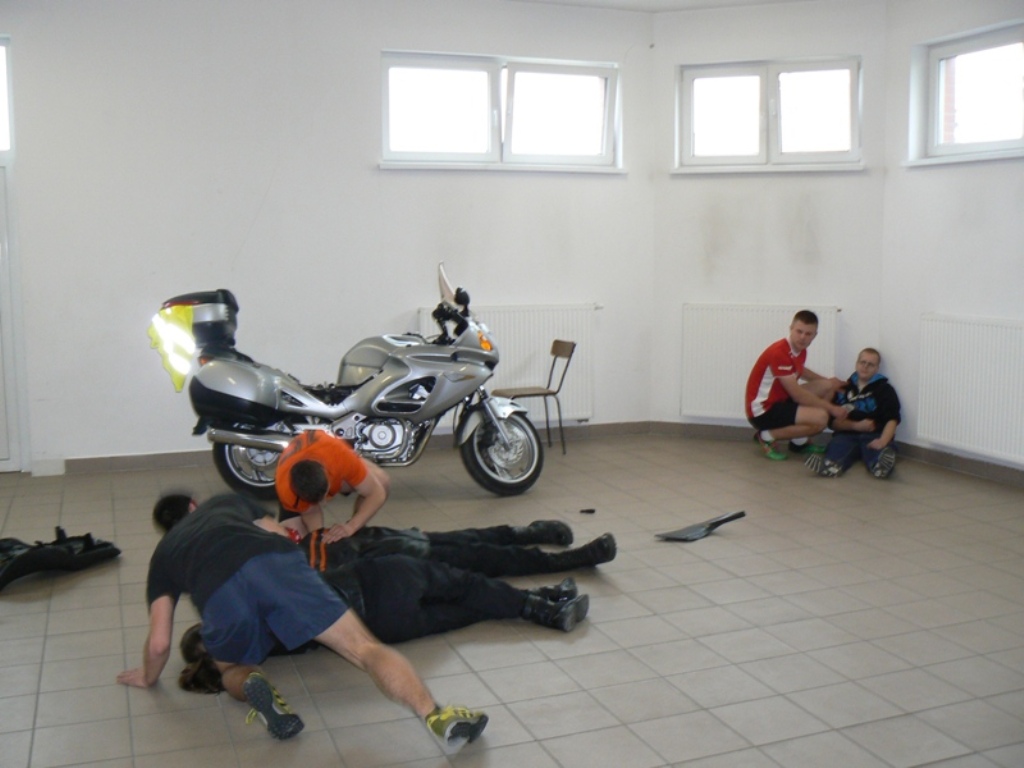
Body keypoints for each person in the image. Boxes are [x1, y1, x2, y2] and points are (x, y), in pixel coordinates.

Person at [120, 492, 487, 754]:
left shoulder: (164, 556)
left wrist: (149, 677)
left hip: (218, 593)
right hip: (273, 561)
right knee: (364, 648)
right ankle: (434, 715)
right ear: (193, 506)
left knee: (230, 666)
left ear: (166, 530)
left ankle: (256, 686)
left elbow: (159, 642)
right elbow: (279, 533)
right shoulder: (222, 503)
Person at [176, 560, 588, 697]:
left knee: (464, 610)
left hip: (383, 629)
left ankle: (547, 599)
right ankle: (544, 607)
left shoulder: (264, 650)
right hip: (377, 583)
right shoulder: (254, 610)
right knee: (466, 584)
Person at [745, 310, 847, 461]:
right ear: (791, 329)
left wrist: (830, 382)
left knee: (827, 386)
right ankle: (766, 436)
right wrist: (832, 408)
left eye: (808, 333)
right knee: (821, 419)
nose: (802, 337)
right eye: (799, 331)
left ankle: (799, 442)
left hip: (780, 400)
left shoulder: (800, 349)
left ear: (814, 335)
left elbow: (801, 371)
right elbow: (797, 395)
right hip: (763, 410)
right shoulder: (779, 352)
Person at [276, 430, 391, 543]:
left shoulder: (339, 457)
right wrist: (319, 539)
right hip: (295, 481)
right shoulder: (286, 489)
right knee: (297, 541)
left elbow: (377, 493)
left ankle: (357, 531)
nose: (324, 504)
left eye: (324, 496)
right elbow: (312, 513)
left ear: (328, 475)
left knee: (381, 481)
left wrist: (351, 527)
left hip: (331, 455)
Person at [806, 347, 901, 479]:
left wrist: (883, 441)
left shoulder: (885, 390)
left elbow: (892, 419)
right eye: (863, 362)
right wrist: (856, 426)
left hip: (874, 434)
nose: (865, 367)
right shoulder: (843, 389)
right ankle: (830, 465)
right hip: (847, 434)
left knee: (877, 450)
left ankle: (881, 465)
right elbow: (833, 423)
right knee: (838, 446)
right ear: (856, 364)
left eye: (871, 364)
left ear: (877, 369)